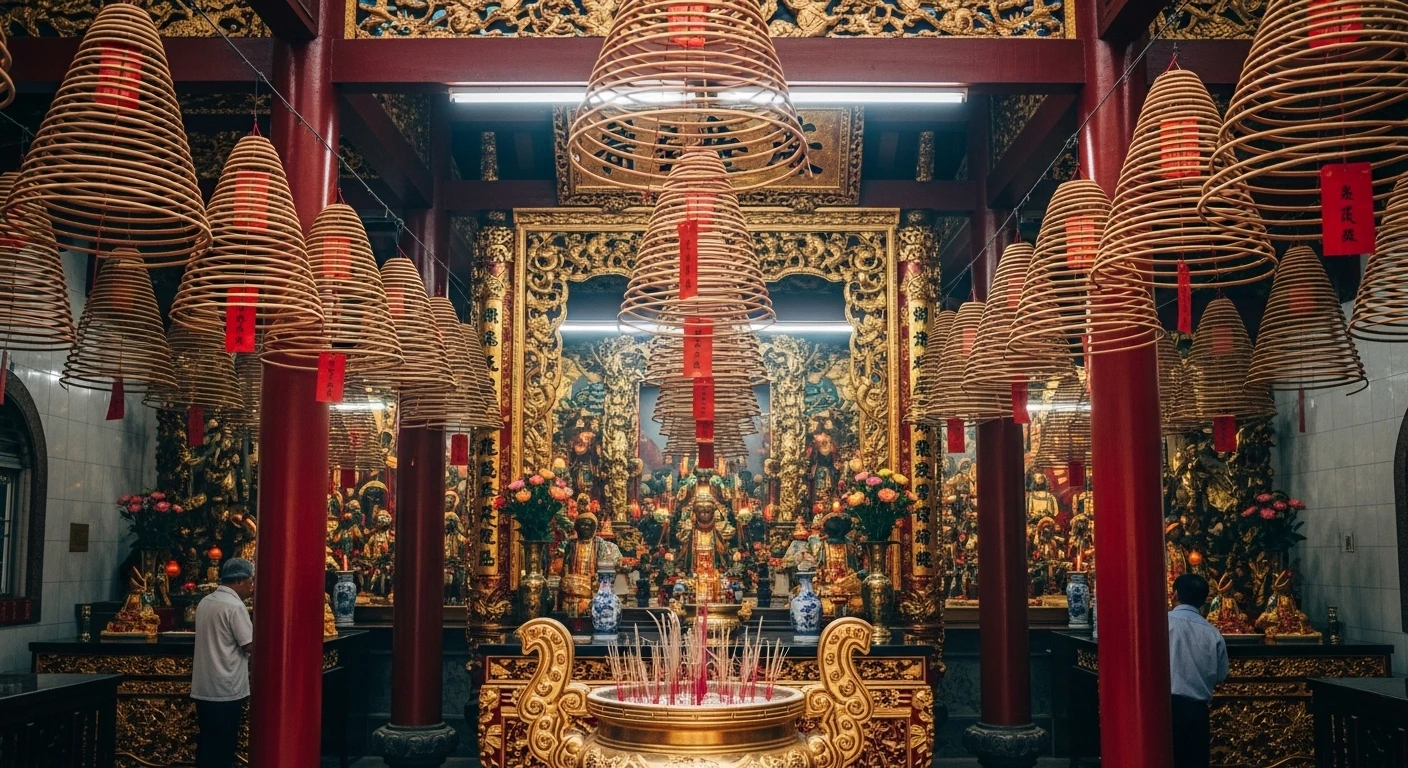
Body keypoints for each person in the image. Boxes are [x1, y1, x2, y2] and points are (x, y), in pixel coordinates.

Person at [192, 557, 255, 768]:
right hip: (226, 687)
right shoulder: (235, 607)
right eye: (250, 581)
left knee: (207, 742)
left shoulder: (205, 602)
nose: (252, 586)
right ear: (238, 581)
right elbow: (250, 644)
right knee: (224, 746)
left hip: (203, 686)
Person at [1168, 573, 1228, 768]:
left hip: (1164, 708)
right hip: (1197, 711)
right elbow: (1221, 675)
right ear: (1204, 600)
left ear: (1175, 594)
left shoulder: (1161, 623)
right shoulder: (1213, 633)